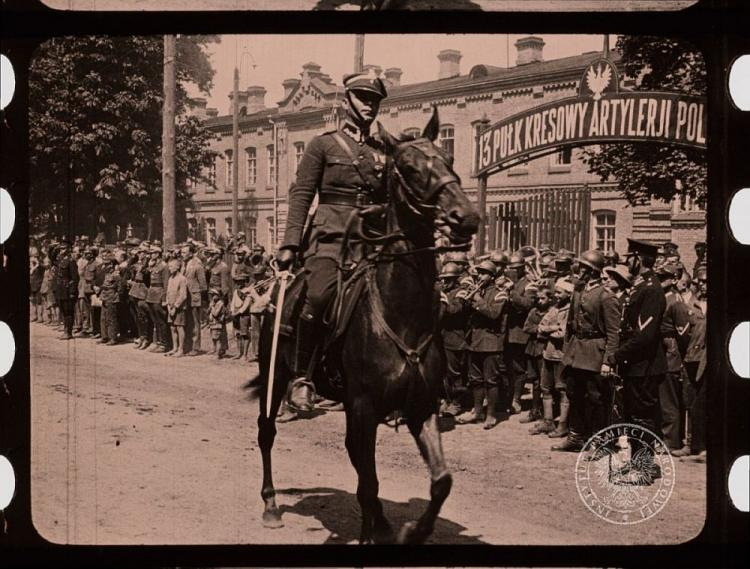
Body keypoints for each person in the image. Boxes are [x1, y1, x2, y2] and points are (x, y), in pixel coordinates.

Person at [275, 68, 389, 411]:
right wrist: (290, 243)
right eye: (363, 98)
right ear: (347, 101)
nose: (369, 105)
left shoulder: (383, 149)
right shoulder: (322, 145)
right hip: (329, 240)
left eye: (375, 100)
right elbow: (301, 196)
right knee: (320, 295)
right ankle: (302, 378)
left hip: (370, 241)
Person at [552, 249, 620, 453]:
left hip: (595, 352)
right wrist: (567, 350)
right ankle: (576, 436)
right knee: (574, 393)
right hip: (576, 351)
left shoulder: (606, 296)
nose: (579, 270)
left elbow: (613, 332)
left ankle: (601, 441)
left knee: (597, 398)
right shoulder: (579, 290)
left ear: (592, 271)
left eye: (583, 267)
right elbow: (571, 324)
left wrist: (609, 360)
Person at [613, 239, 668, 481]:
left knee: (642, 415)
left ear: (639, 259)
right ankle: (639, 463)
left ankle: (644, 469)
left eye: (629, 257)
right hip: (635, 363)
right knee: (634, 414)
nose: (626, 261)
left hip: (644, 364)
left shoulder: (651, 289)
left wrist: (618, 354)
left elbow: (644, 336)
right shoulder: (642, 287)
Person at [457, 260, 508, 429]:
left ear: (492, 276)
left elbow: (493, 314)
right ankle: (477, 411)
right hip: (474, 341)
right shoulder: (478, 291)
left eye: (484, 273)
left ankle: (491, 415)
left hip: (490, 342)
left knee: (491, 380)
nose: (480, 276)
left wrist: (477, 300)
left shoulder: (499, 293)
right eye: (479, 272)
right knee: (475, 380)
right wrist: (466, 301)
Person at [656, 262, 692, 451]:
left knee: (669, 399)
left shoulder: (675, 301)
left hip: (671, 353)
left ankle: (671, 441)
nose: (660, 281)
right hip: (662, 351)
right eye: (659, 277)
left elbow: (683, 332)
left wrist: (677, 355)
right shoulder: (664, 297)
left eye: (664, 278)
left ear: (675, 279)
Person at [533, 277, 574, 437]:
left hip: (561, 355)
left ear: (569, 294)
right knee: (545, 388)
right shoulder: (554, 308)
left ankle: (562, 425)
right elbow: (539, 327)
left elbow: (563, 333)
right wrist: (552, 328)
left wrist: (547, 329)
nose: (556, 295)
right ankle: (548, 421)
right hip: (548, 353)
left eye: (560, 292)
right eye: (556, 292)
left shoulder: (570, 310)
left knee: (562, 389)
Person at [677, 264, 707, 462]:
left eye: (706, 281)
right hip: (691, 358)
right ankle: (691, 444)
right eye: (700, 282)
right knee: (690, 401)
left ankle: (704, 448)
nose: (703, 285)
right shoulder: (693, 305)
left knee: (703, 404)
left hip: (708, 361)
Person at [505, 251, 536, 415]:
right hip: (505, 332)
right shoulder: (507, 282)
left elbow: (528, 304)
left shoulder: (529, 284)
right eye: (510, 268)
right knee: (506, 367)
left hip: (519, 332)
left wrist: (512, 293)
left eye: (516, 268)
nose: (512, 271)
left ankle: (516, 399)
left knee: (518, 368)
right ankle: (508, 397)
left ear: (522, 268)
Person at [438, 261, 470, 417]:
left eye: (448, 279)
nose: (444, 282)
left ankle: (456, 403)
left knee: (454, 373)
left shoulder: (461, 292)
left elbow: (455, 310)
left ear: (455, 279)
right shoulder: (446, 291)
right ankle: (447, 399)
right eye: (443, 279)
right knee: (442, 372)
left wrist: (443, 300)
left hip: (455, 338)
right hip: (442, 337)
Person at [522, 286, 553, 428]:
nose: (540, 301)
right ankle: (535, 410)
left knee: (544, 383)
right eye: (538, 298)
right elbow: (526, 327)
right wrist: (540, 330)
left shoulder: (552, 313)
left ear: (549, 299)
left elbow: (553, 330)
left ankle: (548, 414)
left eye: (543, 298)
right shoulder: (533, 311)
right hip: (532, 349)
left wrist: (540, 330)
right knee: (534, 380)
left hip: (544, 350)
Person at [182, 244, 208, 356]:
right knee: (188, 321)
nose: (182, 254)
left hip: (194, 296)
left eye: (184, 252)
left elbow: (203, 284)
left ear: (191, 253)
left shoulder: (197, 264)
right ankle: (187, 345)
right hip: (185, 296)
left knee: (195, 322)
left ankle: (196, 347)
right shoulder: (184, 263)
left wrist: (198, 296)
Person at [145, 246, 171, 353]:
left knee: (161, 320)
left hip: (159, 294)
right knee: (155, 320)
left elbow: (166, 283)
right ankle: (158, 341)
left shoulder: (164, 266)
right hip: (151, 294)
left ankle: (165, 344)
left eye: (152, 253)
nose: (150, 255)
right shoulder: (153, 265)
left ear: (158, 253)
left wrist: (164, 298)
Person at [54, 241, 80, 340]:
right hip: (61, 289)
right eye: (60, 248)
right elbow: (52, 255)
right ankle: (65, 330)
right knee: (64, 311)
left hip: (68, 290)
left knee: (68, 311)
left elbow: (75, 278)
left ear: (68, 249)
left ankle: (68, 332)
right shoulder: (60, 260)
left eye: (64, 248)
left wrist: (72, 292)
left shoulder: (71, 261)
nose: (61, 250)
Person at [165, 258, 188, 357]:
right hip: (170, 307)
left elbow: (183, 296)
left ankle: (181, 349)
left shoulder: (182, 279)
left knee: (179, 327)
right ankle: (174, 347)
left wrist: (175, 307)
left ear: (177, 267)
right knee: (172, 327)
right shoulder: (171, 278)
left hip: (179, 308)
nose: (169, 268)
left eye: (171, 266)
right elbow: (168, 292)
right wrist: (168, 306)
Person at [207, 288, 229, 359]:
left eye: (213, 295)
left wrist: (212, 307)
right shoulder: (213, 303)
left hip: (218, 324)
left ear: (218, 295)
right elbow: (208, 312)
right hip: (212, 323)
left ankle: (218, 354)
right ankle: (215, 350)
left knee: (218, 339)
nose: (212, 297)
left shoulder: (220, 303)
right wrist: (210, 307)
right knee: (214, 338)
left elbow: (216, 314)